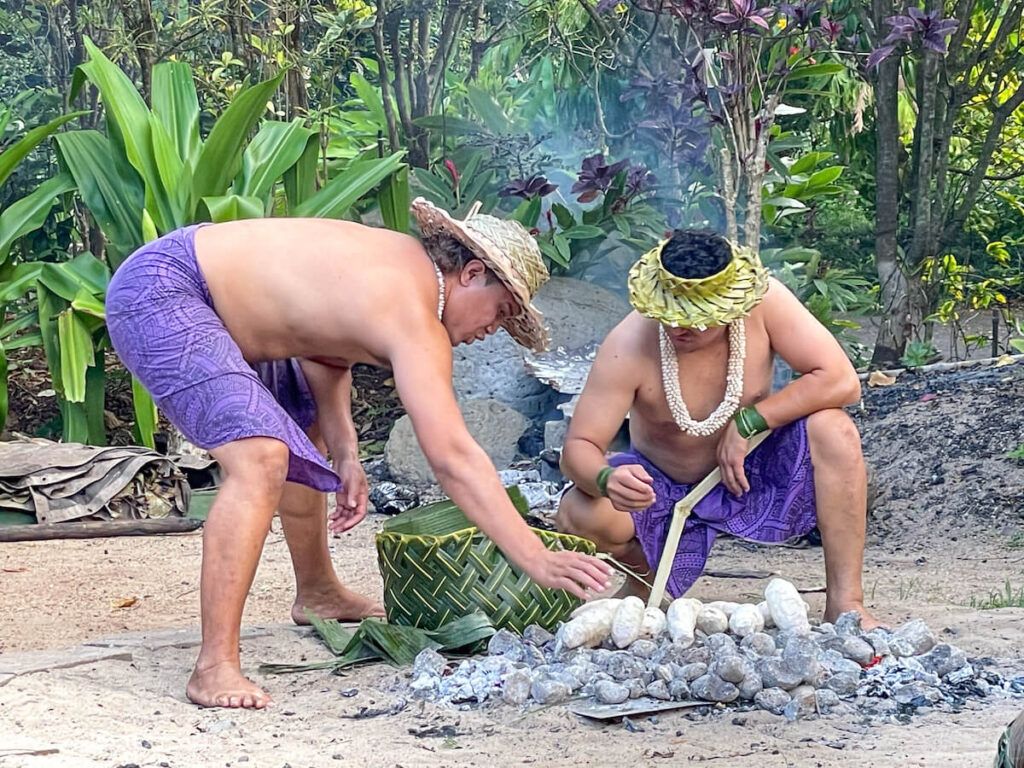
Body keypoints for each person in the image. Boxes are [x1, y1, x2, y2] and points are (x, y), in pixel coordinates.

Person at [105, 199, 611, 709]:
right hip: (166, 293)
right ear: (472, 273)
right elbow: (453, 456)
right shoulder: (416, 314)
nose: (491, 330)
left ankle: (319, 591)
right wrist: (535, 557)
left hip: (198, 292)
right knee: (261, 460)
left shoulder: (397, 270)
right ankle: (213, 667)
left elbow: (324, 345)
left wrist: (345, 449)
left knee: (306, 438)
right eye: (500, 311)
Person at [555, 229, 880, 629]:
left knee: (835, 429)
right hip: (661, 490)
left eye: (693, 318)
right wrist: (607, 478)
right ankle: (650, 580)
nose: (677, 327)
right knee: (579, 512)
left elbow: (841, 381)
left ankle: (846, 603)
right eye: (669, 314)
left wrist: (749, 421)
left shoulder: (766, 304)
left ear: (730, 307)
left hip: (754, 472)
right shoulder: (629, 343)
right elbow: (578, 449)